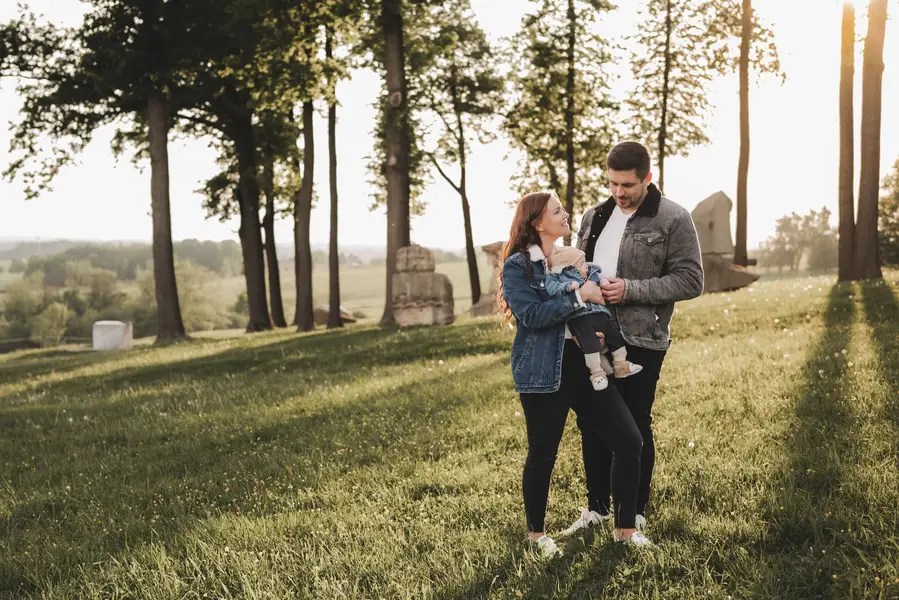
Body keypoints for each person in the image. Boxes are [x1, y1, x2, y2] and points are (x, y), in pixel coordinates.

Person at [498, 190, 653, 558]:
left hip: (587, 367)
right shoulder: (519, 266)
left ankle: (625, 531)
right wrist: (578, 298)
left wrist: (596, 327)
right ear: (537, 223)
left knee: (629, 441)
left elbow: (593, 301)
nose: (566, 214)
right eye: (557, 211)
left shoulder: (575, 260)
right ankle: (536, 537)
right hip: (542, 373)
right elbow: (532, 317)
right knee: (543, 455)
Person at [562, 141, 703, 536]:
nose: (618, 193)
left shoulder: (674, 218)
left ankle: (634, 511)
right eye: (612, 184)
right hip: (589, 335)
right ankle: (597, 509)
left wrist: (630, 290)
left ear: (648, 178)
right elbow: (578, 268)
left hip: (642, 338)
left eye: (627, 185)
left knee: (634, 423)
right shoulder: (594, 215)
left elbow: (692, 280)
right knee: (592, 423)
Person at [544, 245, 643, 391]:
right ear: (570, 267)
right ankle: (597, 373)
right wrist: (568, 287)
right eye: (581, 263)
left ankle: (621, 364)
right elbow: (551, 288)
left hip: (600, 313)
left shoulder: (590, 272)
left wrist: (603, 282)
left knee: (613, 335)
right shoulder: (558, 278)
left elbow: (597, 275)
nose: (586, 266)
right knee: (589, 343)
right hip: (579, 318)